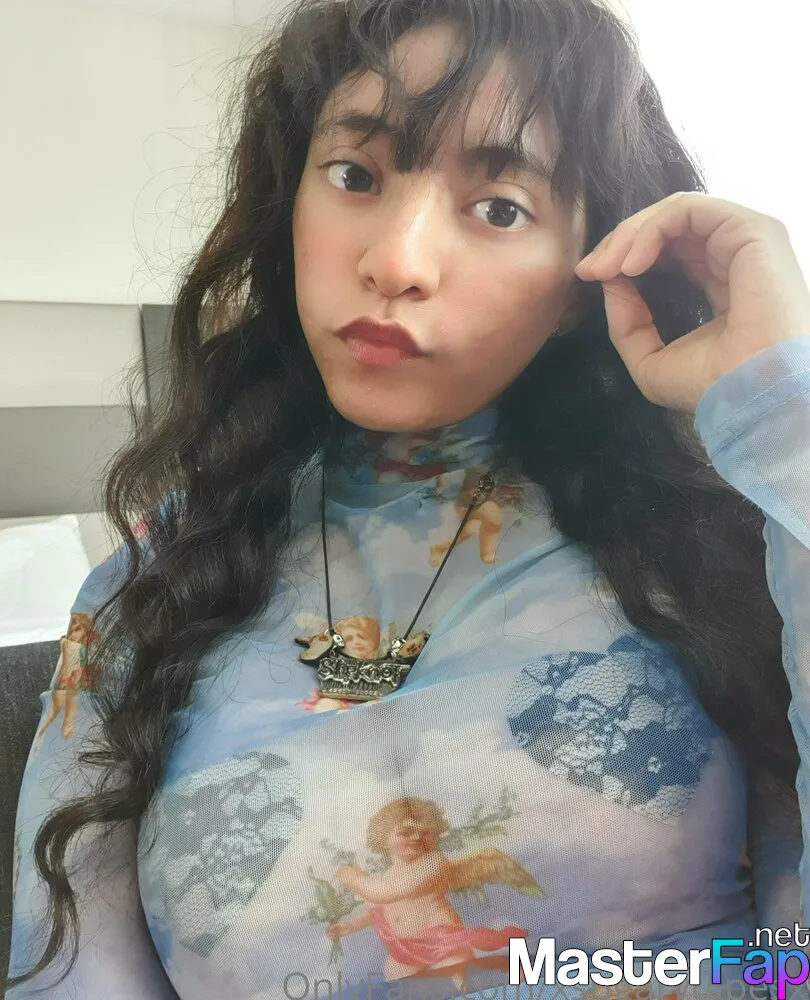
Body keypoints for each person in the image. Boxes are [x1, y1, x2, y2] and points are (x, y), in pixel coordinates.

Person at [6, 0, 810, 997]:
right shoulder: (149, 594)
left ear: (581, 281)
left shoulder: (714, 551)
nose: (396, 261)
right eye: (355, 175)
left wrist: (783, 410)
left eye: (501, 207)